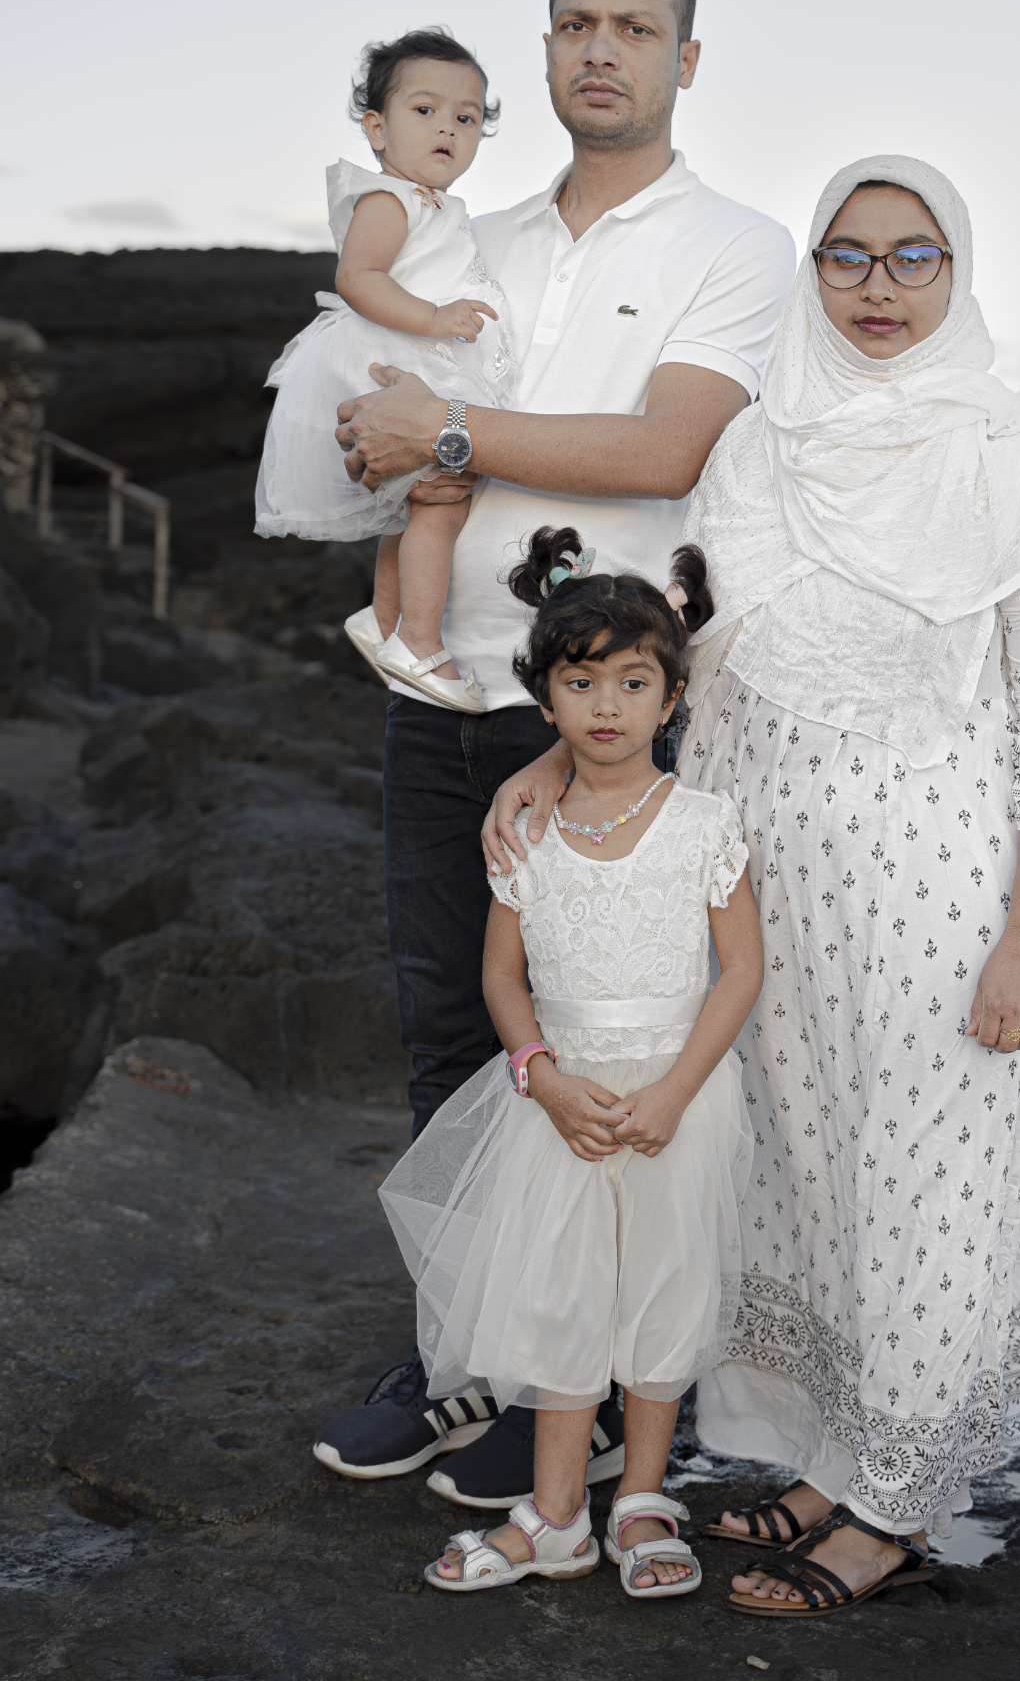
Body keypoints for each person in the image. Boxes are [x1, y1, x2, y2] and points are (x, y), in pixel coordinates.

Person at [483, 154, 1020, 1617]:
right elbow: (668, 658)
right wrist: (548, 765)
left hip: (935, 891)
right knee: (804, 1179)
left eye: (915, 259)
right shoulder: (755, 453)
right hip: (761, 887)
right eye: (847, 256)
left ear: (959, 276)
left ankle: (893, 1508)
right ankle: (831, 1462)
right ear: (814, 273)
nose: (878, 288)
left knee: (921, 1184)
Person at [312, 0, 795, 1503]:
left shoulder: (734, 245)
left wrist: (442, 424)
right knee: (453, 1042)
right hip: (435, 691)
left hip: (604, 733)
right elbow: (379, 420)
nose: (605, 49)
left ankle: (588, 1386)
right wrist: (376, 430)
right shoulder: (474, 237)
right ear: (542, 53)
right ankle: (471, 1360)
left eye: (637, 27)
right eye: (577, 24)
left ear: (684, 61)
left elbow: (662, 455)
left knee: (615, 1046)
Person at [377, 529, 763, 1596]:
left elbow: (739, 973)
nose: (606, 703)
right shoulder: (527, 830)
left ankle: (640, 1496)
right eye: (579, 680)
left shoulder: (703, 823)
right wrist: (540, 1075)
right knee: (558, 1298)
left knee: (663, 1289)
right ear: (543, 702)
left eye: (632, 680)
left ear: (670, 696)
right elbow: (500, 978)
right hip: (560, 1103)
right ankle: (555, 1514)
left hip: (677, 1099)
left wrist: (678, 1088)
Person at [255, 27, 514, 708]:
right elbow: (358, 277)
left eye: (465, 118)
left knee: (414, 507)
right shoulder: (388, 200)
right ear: (376, 127)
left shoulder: (436, 204)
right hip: (389, 363)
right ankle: (420, 641)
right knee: (440, 500)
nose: (447, 129)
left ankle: (384, 617)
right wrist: (433, 320)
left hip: (414, 363)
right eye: (424, 110)